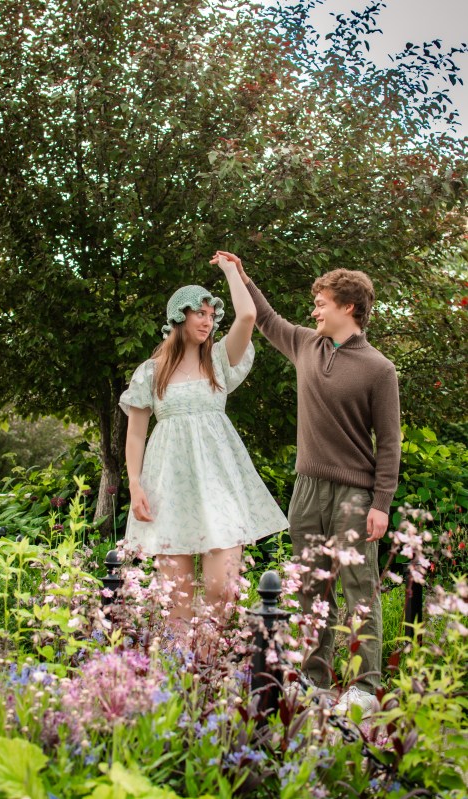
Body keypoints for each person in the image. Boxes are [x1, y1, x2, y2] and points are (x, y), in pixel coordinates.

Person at [215, 251, 401, 714]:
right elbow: (265, 319)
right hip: (307, 489)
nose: (313, 311)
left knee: (359, 589)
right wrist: (241, 275)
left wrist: (381, 503)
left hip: (355, 495)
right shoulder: (304, 344)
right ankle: (314, 679)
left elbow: (388, 442)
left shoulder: (379, 369)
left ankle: (364, 687)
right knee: (311, 589)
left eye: (321, 303)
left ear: (348, 307)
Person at [119, 253, 288, 627]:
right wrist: (134, 484)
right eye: (200, 313)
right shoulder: (150, 372)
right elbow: (136, 433)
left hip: (219, 485)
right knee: (175, 597)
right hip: (169, 487)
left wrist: (232, 271)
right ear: (179, 316)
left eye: (212, 315)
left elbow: (248, 316)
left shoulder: (219, 360)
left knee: (222, 588)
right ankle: (180, 663)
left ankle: (212, 655)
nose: (208, 321)